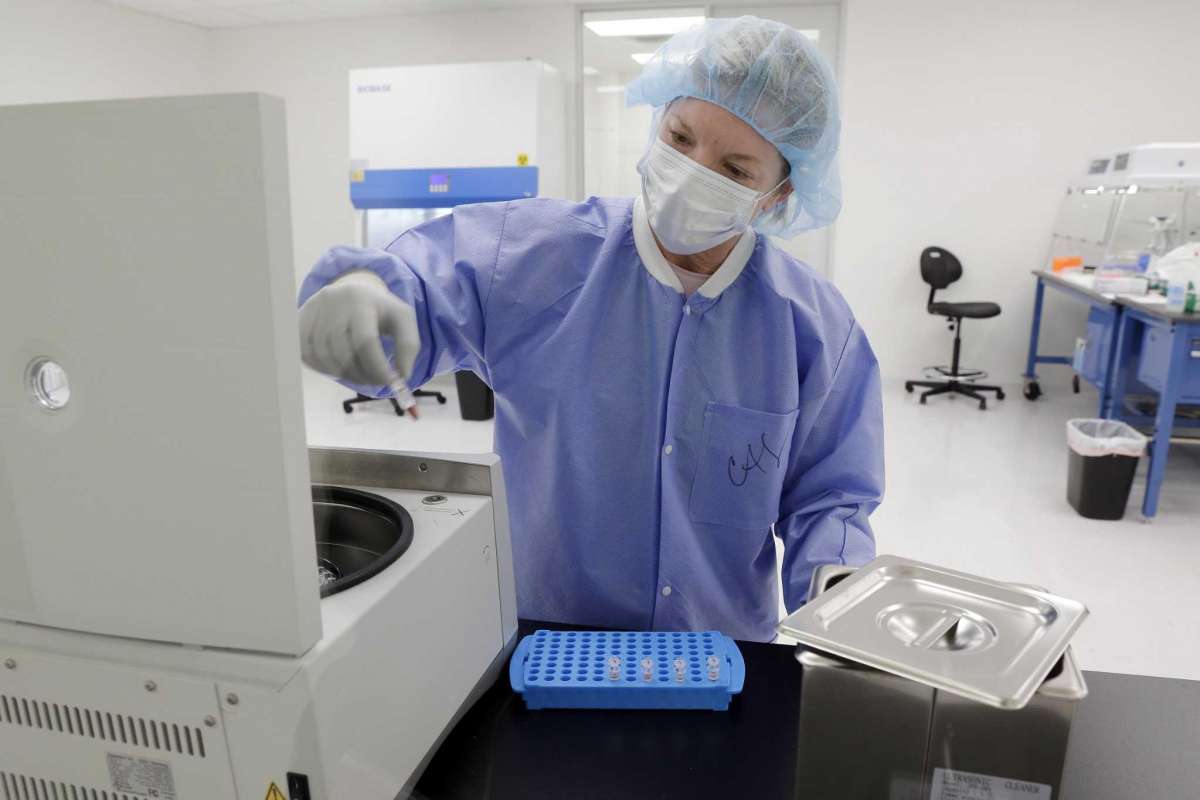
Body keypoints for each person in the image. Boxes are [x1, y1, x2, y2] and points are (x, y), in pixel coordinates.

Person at [298, 16, 883, 642]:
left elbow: (830, 500)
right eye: (680, 137)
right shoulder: (532, 257)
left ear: (779, 194)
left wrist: (839, 588)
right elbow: (423, 283)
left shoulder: (814, 328)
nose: (691, 172)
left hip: (717, 656)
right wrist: (366, 292)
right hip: (540, 640)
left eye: (735, 171)